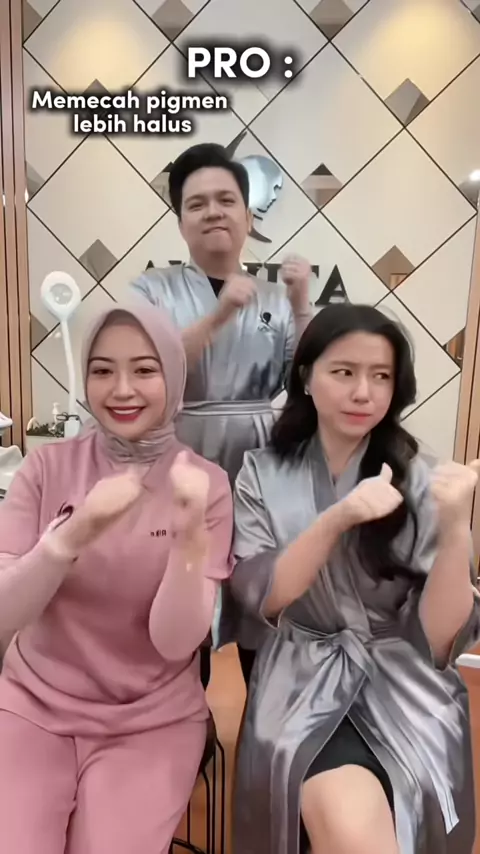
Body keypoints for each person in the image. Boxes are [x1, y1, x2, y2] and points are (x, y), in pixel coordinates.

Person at [227, 303, 480, 854]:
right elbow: (261, 596)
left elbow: (441, 640)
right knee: (349, 824)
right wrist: (336, 519)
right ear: (306, 377)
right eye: (344, 372)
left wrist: (456, 528)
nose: (363, 392)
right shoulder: (261, 474)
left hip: (405, 683)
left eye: (381, 376)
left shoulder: (423, 477)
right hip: (302, 681)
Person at [0, 303, 233, 854]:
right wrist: (70, 537)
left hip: (150, 723)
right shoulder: (46, 468)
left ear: (172, 377)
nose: (122, 389)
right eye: (102, 370)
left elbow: (175, 642)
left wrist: (189, 538)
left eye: (145, 370)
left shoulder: (205, 485)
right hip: (32, 707)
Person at [131, 142, 313, 685]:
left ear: (247, 215)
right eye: (197, 203)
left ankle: (265, 720)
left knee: (260, 592)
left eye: (227, 200)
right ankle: (186, 717)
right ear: (180, 222)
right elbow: (148, 370)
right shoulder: (151, 290)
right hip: (178, 455)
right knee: (183, 587)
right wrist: (220, 315)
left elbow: (307, 381)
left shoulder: (276, 296)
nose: (214, 212)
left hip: (260, 461)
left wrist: (301, 304)